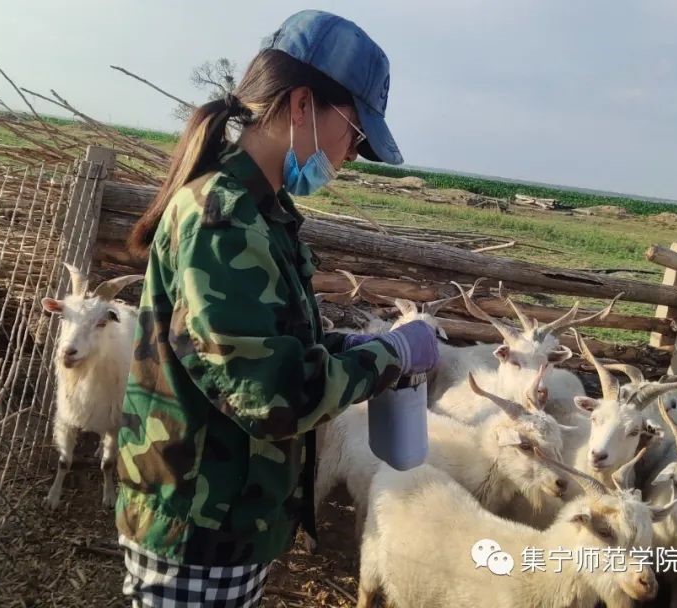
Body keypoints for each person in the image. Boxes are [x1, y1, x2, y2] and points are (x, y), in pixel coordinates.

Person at [116, 10, 439, 607]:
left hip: (227, 519)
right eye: (355, 134)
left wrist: (347, 347)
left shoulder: (263, 213)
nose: (351, 156)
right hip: (199, 528)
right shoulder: (223, 221)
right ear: (301, 105)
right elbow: (272, 396)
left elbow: (264, 342)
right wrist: (388, 357)